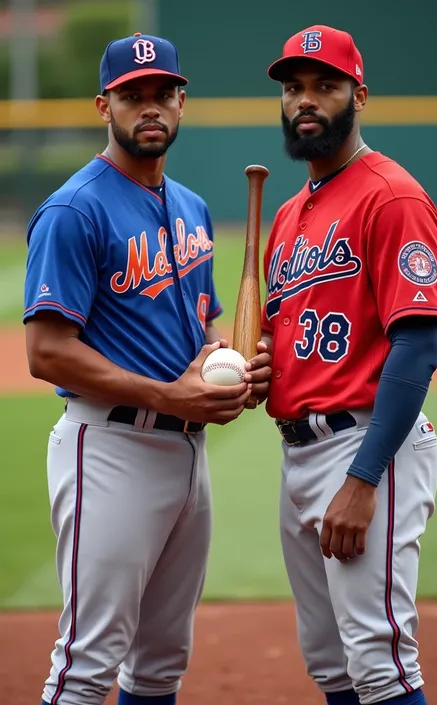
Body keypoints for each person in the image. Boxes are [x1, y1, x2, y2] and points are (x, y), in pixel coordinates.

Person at [23, 32, 271, 705]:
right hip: (110, 448)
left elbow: (204, 324)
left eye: (163, 92)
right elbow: (45, 351)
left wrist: (231, 362)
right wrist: (172, 392)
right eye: (133, 95)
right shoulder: (75, 210)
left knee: (161, 662)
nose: (150, 106)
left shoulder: (188, 205)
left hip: (185, 455)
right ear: (104, 104)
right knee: (85, 664)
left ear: (182, 101)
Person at [261, 24, 437, 705]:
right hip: (299, 454)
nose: (305, 100)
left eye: (324, 85)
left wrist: (364, 479)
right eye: (292, 88)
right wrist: (257, 368)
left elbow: (418, 345)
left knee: (378, 660)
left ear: (358, 95)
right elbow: (289, 338)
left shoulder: (390, 196)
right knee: (331, 662)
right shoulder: (288, 215)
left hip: (367, 448)